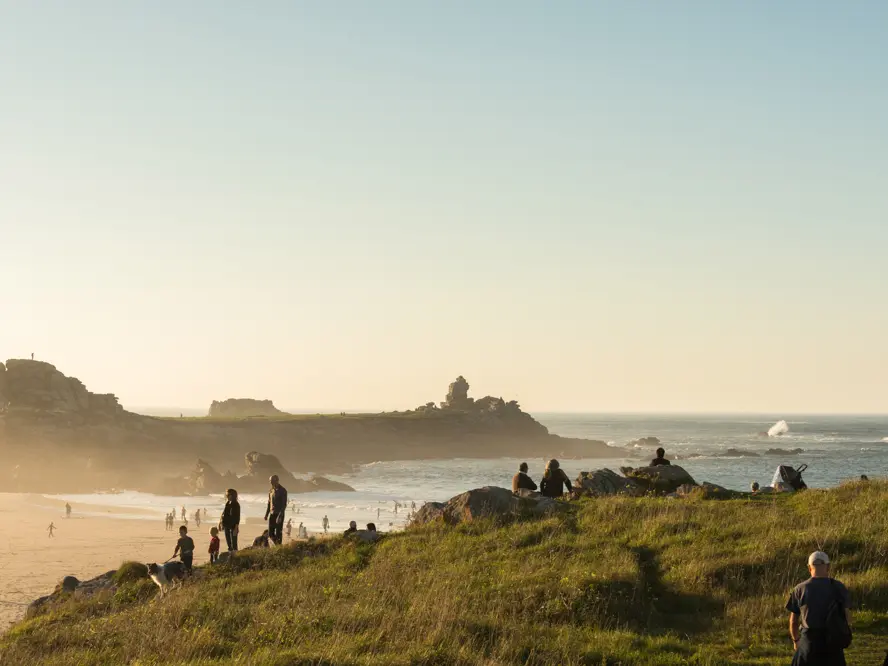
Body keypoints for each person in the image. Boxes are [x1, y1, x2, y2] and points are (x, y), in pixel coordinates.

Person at [787, 551, 851, 665]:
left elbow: (793, 621)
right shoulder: (839, 587)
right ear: (828, 566)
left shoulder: (800, 589)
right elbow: (847, 617)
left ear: (809, 567)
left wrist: (796, 640)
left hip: (809, 643)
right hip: (833, 643)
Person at [264, 475, 288, 546]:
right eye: (270, 481)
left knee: (278, 532)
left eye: (272, 481)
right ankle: (278, 545)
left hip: (279, 514)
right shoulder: (271, 490)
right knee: (270, 533)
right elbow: (269, 503)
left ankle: (278, 546)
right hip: (272, 513)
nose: (270, 483)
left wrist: (280, 516)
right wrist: (266, 514)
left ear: (277, 480)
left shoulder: (283, 490)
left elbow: (284, 505)